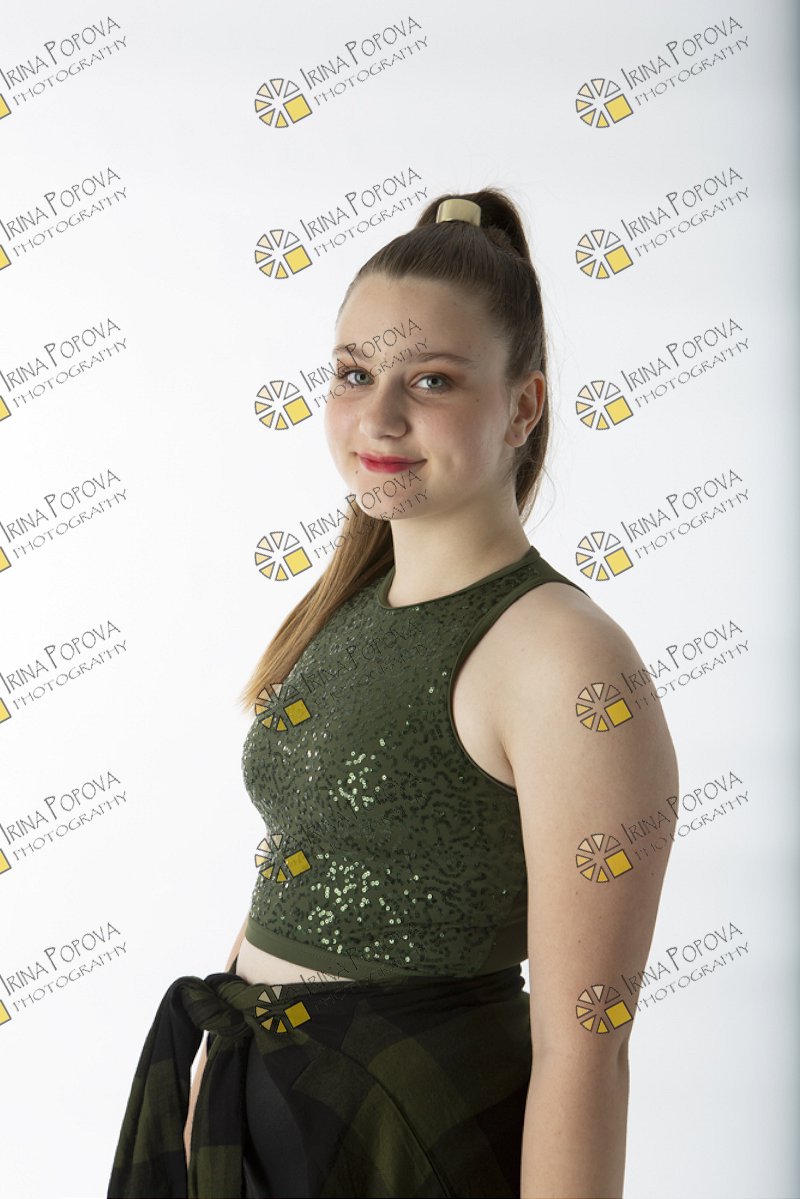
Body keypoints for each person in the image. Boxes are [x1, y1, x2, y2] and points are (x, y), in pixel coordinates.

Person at [107, 189, 678, 1198]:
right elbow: (300, 857)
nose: (378, 416)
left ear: (524, 406)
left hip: (413, 1137)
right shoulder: (347, 606)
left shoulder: (564, 657)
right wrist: (216, 1076)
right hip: (260, 1113)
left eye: (432, 379)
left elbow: (585, 1049)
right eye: (353, 373)